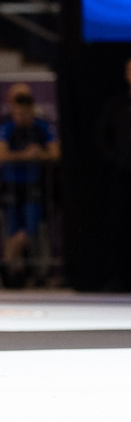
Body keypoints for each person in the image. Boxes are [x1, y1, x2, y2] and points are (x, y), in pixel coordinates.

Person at [0, 88, 60, 287]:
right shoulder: (6, 128)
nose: (19, 117)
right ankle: (15, 273)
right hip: (11, 184)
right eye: (16, 113)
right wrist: (25, 155)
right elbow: (0, 155)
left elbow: (55, 153)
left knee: (29, 229)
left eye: (23, 113)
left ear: (31, 111)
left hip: (33, 184)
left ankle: (5, 262)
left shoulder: (42, 127)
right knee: (12, 227)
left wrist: (39, 154)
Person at [95, 57, 131, 290]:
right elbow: (101, 137)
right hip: (123, 175)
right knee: (120, 226)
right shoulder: (116, 105)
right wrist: (116, 161)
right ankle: (120, 277)